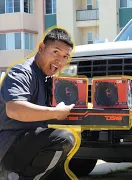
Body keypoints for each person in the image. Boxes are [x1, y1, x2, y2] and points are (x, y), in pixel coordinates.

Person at [0, 28, 76, 180]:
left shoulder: (47, 80)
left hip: (32, 145)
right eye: (55, 52)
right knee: (64, 138)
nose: (60, 61)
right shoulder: (22, 72)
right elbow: (14, 109)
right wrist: (55, 112)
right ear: (41, 48)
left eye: (65, 57)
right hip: (10, 147)